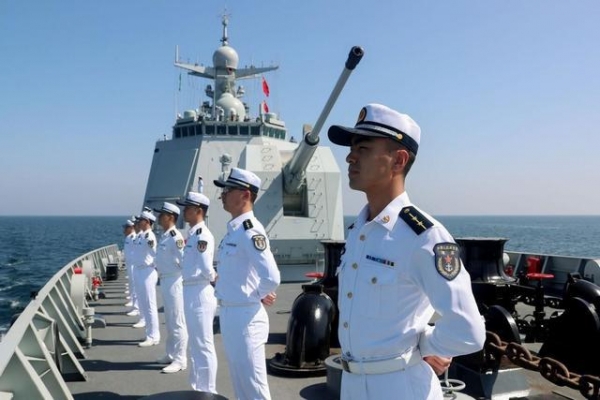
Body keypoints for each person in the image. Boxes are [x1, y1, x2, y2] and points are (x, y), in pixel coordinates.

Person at [327, 103, 486, 399]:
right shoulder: (360, 231)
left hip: (399, 386)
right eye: (352, 148)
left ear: (398, 160)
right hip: (352, 384)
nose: (350, 157)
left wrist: (424, 345)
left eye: (363, 148)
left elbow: (468, 330)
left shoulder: (424, 236)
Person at [213, 168, 281, 400]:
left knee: (254, 388)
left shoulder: (249, 232)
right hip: (231, 314)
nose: (222, 194)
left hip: (246, 318)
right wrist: (257, 292)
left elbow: (272, 277)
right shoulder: (232, 231)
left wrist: (256, 294)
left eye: (228, 190)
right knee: (240, 384)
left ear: (244, 195)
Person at [176, 192, 218, 392]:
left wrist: (213, 277)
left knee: (203, 344)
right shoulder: (193, 234)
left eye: (187, 208)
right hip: (191, 290)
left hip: (200, 291)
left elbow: (206, 266)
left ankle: (208, 391)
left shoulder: (202, 235)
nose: (184, 211)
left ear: (198, 210)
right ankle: (197, 388)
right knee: (195, 343)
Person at [153, 202, 188, 373]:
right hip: (166, 280)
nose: (159, 217)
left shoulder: (175, 237)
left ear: (170, 217)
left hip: (175, 281)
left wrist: (177, 275)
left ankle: (180, 359)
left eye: (162, 214)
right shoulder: (165, 235)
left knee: (177, 321)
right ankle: (171, 353)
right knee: (170, 320)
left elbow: (184, 261)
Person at [134, 210, 161, 347]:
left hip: (147, 272)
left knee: (150, 305)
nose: (139, 222)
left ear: (148, 222)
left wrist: (152, 266)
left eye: (141, 220)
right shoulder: (142, 236)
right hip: (140, 271)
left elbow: (155, 254)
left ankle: (154, 336)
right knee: (144, 304)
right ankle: (148, 333)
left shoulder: (149, 236)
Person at [122, 219, 138, 312]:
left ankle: (136, 306)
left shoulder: (134, 237)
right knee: (131, 283)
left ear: (131, 227)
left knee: (134, 284)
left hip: (133, 264)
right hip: (129, 263)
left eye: (126, 227)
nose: (124, 229)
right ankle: (132, 300)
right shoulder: (129, 237)